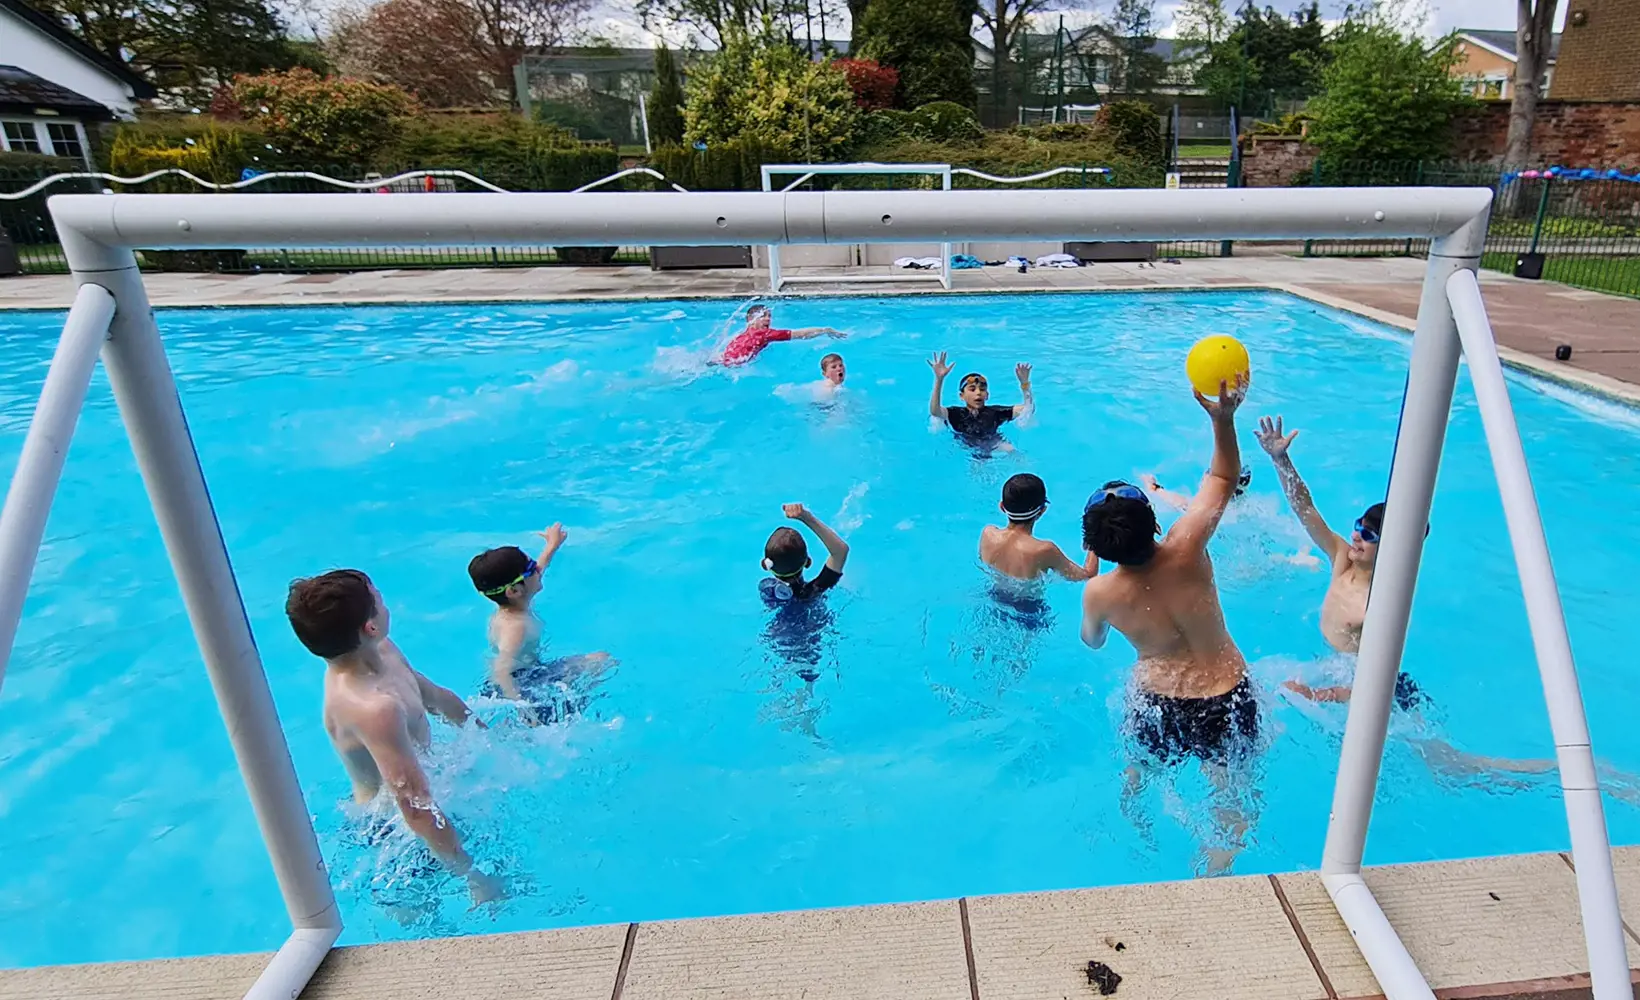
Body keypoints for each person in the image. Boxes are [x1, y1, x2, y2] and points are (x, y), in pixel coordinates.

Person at [1080, 375, 1255, 874]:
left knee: (1140, 770)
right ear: (1156, 523)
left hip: (1160, 701)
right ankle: (1214, 870)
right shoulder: (1187, 546)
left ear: (1093, 547)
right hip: (1228, 692)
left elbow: (1092, 643)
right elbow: (1223, 478)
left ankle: (1133, 833)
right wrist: (1223, 420)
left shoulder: (1101, 592)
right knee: (1231, 797)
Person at [286, 569, 502, 903]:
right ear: (369, 627)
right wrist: (473, 876)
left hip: (423, 808)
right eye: (379, 598)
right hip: (390, 832)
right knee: (423, 911)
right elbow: (414, 807)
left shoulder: (383, 650)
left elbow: (435, 697)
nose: (386, 603)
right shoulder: (372, 709)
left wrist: (493, 740)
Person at [1251, 415, 1426, 708]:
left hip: (1373, 691)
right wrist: (1281, 460)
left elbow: (1374, 683)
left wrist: (1320, 696)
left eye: (1368, 534)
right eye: (1358, 525)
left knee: (1437, 754)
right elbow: (1305, 509)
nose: (1356, 536)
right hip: (1334, 667)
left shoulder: (1378, 605)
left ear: (1390, 550)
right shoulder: (1342, 560)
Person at [468, 523, 610, 724]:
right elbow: (500, 670)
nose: (538, 568)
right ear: (514, 591)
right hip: (522, 685)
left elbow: (536, 571)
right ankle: (569, 710)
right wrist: (524, 708)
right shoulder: (515, 627)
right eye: (531, 568)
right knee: (601, 660)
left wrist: (552, 545)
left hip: (529, 673)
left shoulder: (516, 602)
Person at [760, 502, 850, 682]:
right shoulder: (815, 590)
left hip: (778, 637)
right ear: (808, 562)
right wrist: (806, 518)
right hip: (810, 636)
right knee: (809, 677)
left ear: (766, 566)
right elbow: (841, 551)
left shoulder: (766, 589)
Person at [980, 473, 1097, 582]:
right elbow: (1087, 576)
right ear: (1041, 511)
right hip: (1028, 604)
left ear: (1002, 506)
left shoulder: (988, 533)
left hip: (992, 595)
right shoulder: (1044, 550)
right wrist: (1095, 538)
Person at [927, 352, 1034, 446]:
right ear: (961, 396)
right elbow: (935, 411)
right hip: (964, 444)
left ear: (987, 395)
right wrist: (939, 379)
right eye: (972, 389)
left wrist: (1024, 384)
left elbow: (1028, 409)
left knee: (1011, 450)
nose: (978, 393)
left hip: (992, 443)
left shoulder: (996, 413)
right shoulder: (955, 414)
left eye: (982, 389)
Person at [718, 304, 844, 367]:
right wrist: (825, 330)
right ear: (751, 319)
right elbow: (801, 334)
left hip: (724, 361)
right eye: (763, 316)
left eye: (769, 316)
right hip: (735, 367)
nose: (768, 319)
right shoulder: (765, 334)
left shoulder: (743, 334)